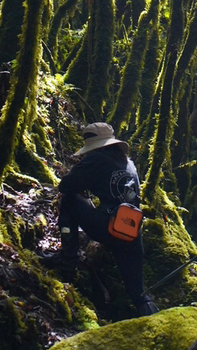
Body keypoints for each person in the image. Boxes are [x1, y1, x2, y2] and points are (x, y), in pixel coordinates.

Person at [43, 122, 159, 316]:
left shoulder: (96, 159)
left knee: (70, 200)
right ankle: (153, 318)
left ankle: (68, 259)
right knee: (139, 293)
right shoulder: (129, 163)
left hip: (107, 227)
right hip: (132, 232)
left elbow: (67, 186)